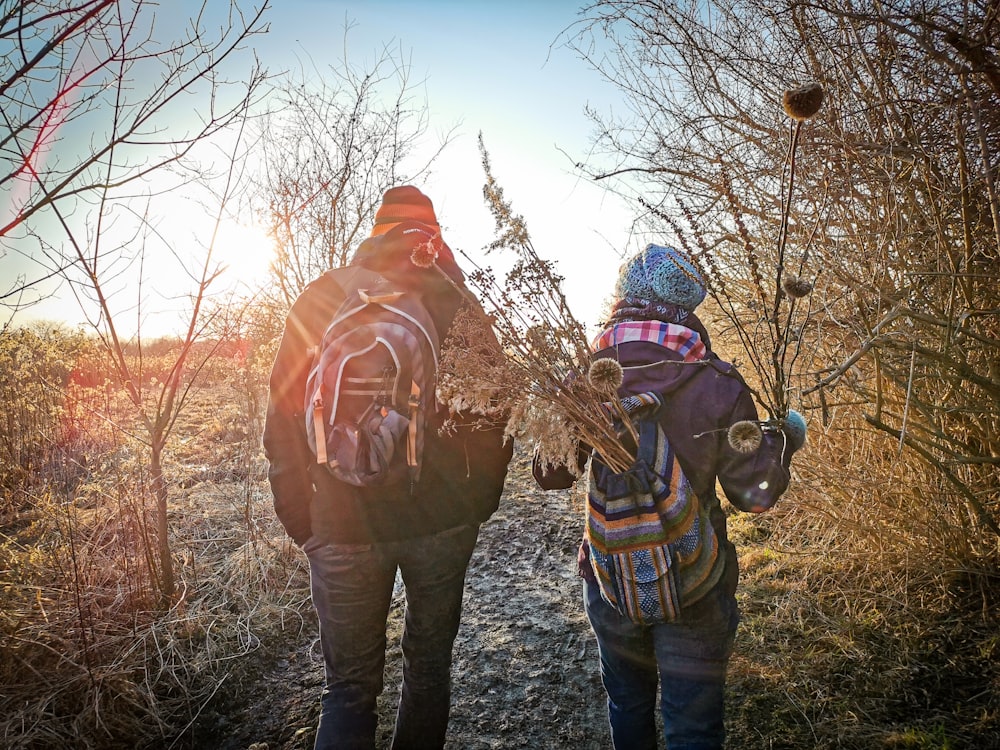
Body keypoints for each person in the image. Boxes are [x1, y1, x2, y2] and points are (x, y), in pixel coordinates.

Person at [263, 186, 513, 750]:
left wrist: (302, 517)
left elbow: (280, 414)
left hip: (340, 521)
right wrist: (479, 501)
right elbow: (499, 412)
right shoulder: (458, 302)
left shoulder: (322, 296)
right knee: (427, 670)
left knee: (348, 688)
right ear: (435, 235)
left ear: (374, 231)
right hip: (442, 521)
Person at [533, 244, 807, 750]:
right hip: (695, 580)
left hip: (611, 571)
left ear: (624, 300)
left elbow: (550, 475)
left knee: (628, 705)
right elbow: (752, 497)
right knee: (693, 727)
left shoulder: (584, 379)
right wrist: (784, 443)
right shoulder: (717, 383)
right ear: (688, 307)